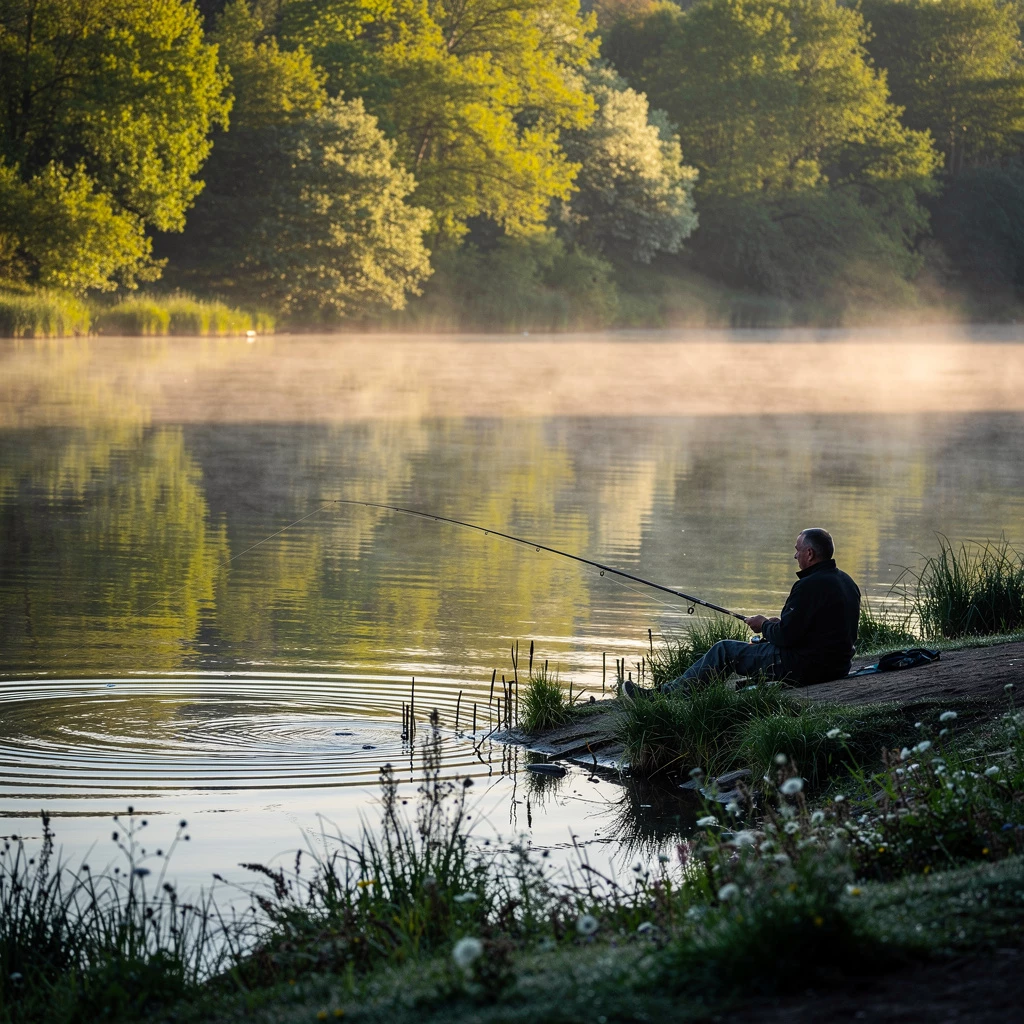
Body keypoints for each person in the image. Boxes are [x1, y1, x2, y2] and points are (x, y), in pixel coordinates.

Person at [627, 528, 860, 697]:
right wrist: (776, 625)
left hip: (805, 666)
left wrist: (764, 625)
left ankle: (664, 696)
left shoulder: (808, 585)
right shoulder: (846, 581)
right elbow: (821, 629)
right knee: (744, 647)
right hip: (837, 666)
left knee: (724, 650)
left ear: (809, 554)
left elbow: (786, 637)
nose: (795, 556)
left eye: (797, 550)